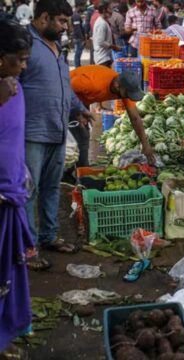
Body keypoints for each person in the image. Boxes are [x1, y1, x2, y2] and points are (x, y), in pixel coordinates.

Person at [20, 0, 92, 270]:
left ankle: (48, 236)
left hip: (57, 129)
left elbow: (64, 86)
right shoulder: (25, 44)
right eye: (61, 21)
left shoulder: (57, 48)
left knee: (51, 187)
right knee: (28, 192)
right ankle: (27, 248)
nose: (65, 27)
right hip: (31, 132)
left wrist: (78, 110)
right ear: (44, 18)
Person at [0, 19, 34, 360]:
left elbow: (12, 135)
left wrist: (21, 166)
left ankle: (3, 335)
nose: (23, 67)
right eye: (18, 59)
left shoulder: (15, 88)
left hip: (11, 195)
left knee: (6, 274)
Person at [70, 65, 155, 164]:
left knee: (82, 136)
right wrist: (78, 113)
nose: (129, 96)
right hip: (64, 97)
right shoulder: (91, 83)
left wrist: (145, 145)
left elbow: (135, 118)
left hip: (81, 99)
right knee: (76, 137)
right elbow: (65, 89)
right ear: (117, 85)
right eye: (128, 93)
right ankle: (72, 172)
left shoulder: (124, 88)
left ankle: (80, 170)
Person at [93, 1, 121, 67]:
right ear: (104, 10)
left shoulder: (103, 21)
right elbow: (100, 42)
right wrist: (114, 47)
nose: (112, 11)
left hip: (105, 57)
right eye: (110, 9)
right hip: (102, 59)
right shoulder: (101, 23)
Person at [72, 0, 87, 68]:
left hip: (78, 38)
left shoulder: (76, 15)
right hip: (78, 39)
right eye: (83, 6)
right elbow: (77, 29)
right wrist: (82, 39)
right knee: (77, 54)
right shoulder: (76, 16)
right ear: (79, 6)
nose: (84, 7)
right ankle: (77, 68)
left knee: (78, 54)